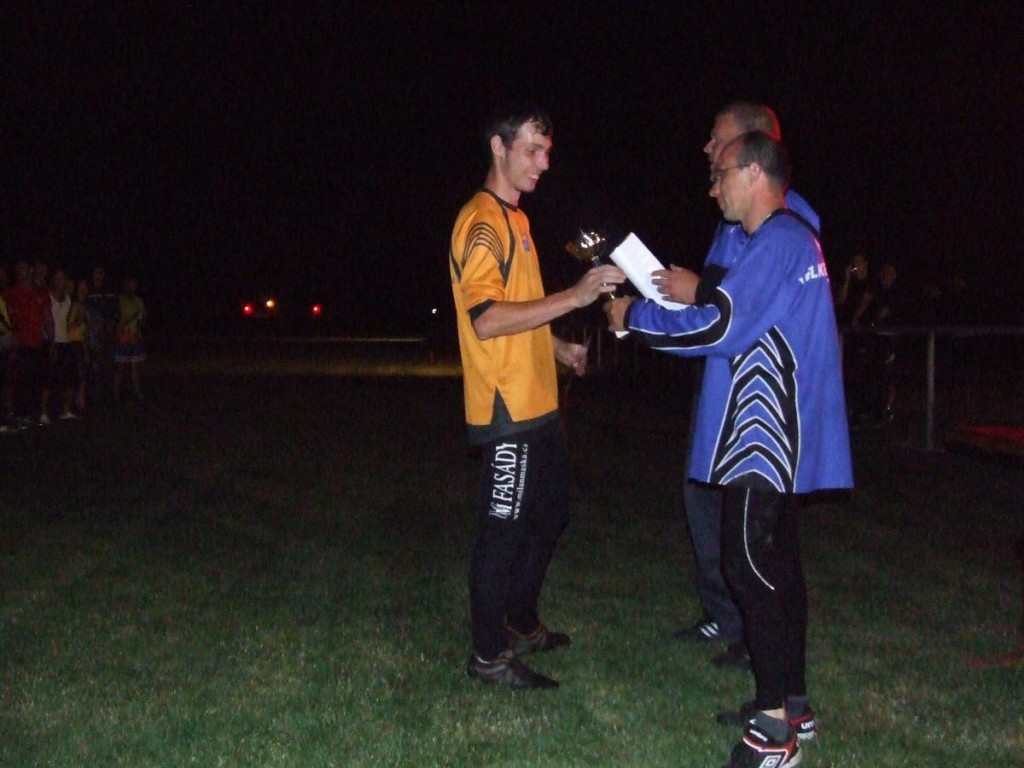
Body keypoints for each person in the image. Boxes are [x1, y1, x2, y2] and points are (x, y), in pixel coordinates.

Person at [606, 132, 852, 768]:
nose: (712, 188)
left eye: (720, 174)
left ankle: (775, 733)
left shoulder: (780, 240)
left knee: (747, 565)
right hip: (771, 432)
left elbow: (719, 325)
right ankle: (791, 707)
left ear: (752, 172)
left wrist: (636, 318)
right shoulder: (785, 240)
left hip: (767, 437)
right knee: (771, 566)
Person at [449, 103, 625, 690]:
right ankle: (488, 655)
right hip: (506, 407)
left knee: (550, 514)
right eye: (531, 149)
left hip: (539, 401)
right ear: (498, 147)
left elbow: (517, 312)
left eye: (547, 151)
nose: (544, 163)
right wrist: (575, 298)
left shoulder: (518, 221)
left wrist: (557, 348)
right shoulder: (481, 223)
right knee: (502, 529)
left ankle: (520, 622)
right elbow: (486, 320)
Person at [654, 102, 820, 673]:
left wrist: (667, 307)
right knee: (716, 514)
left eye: (717, 142)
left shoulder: (786, 223)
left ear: (752, 153)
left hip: (762, 411)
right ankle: (743, 635)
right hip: (731, 388)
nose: (708, 152)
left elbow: (735, 308)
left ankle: (772, 674)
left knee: (759, 546)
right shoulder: (736, 217)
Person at [5, 259, 52, 427]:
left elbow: (47, 318)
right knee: (17, 380)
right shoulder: (11, 293)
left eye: (23, 268)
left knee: (34, 380)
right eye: (17, 268)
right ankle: (15, 413)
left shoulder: (40, 292)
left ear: (30, 270)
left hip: (37, 343)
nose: (19, 271)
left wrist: (52, 341)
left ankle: (32, 413)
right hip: (19, 344)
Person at [44, 268, 77, 421]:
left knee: (67, 378)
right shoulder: (48, 297)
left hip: (65, 343)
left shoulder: (68, 299)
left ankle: (66, 410)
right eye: (58, 277)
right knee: (50, 379)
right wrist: (50, 343)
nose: (60, 281)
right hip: (53, 342)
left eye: (63, 278)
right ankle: (44, 412)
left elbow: (66, 322)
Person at [86, 265, 119, 406]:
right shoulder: (89, 291)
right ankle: (94, 396)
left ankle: (109, 395)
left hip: (108, 334)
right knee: (95, 364)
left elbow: (116, 311)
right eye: (96, 272)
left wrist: (112, 324)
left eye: (100, 272)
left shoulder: (109, 291)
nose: (98, 275)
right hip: (94, 335)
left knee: (109, 364)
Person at [114, 275, 146, 402]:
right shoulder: (120, 300)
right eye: (129, 284)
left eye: (134, 284)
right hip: (123, 336)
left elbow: (143, 320)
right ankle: (116, 393)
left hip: (135, 336)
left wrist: (141, 319)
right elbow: (119, 319)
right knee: (120, 367)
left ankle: (136, 391)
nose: (131, 287)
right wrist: (132, 317)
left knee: (135, 367)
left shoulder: (139, 301)